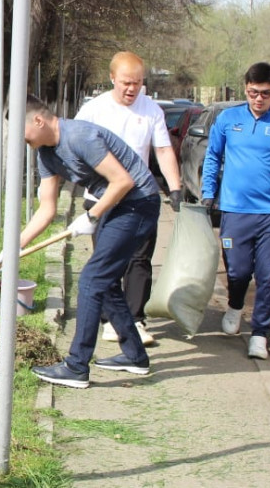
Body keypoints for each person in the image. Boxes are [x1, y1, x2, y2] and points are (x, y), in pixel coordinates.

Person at [15, 95, 162, 388]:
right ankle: (135, 356)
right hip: (117, 204)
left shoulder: (79, 135)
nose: (23, 141)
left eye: (23, 132)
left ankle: (76, 366)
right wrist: (15, 247)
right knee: (105, 281)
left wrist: (91, 216)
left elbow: (123, 181)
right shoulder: (46, 154)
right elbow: (47, 208)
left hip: (139, 203)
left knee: (92, 280)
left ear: (38, 121)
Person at [200, 62, 270, 360]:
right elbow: (213, 156)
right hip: (235, 210)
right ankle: (235, 306)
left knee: (268, 276)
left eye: (265, 93)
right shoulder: (228, 119)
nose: (258, 99)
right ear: (245, 89)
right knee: (238, 270)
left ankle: (259, 333)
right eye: (253, 92)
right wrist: (208, 192)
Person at [75, 52, 182, 346]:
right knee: (108, 260)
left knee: (139, 259)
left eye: (137, 83)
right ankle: (109, 320)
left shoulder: (151, 110)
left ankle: (135, 319)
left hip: (140, 198)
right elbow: (75, 147)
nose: (131, 89)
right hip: (103, 197)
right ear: (112, 78)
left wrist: (174, 187)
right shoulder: (94, 110)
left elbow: (163, 150)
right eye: (126, 83)